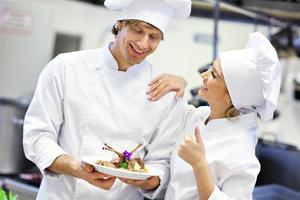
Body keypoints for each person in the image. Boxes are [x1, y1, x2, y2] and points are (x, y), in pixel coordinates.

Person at [22, 0, 191, 199]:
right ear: (120, 24)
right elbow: (38, 136)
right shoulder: (66, 67)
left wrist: (147, 179)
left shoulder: (166, 92)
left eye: (154, 37)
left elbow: (162, 162)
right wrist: (76, 168)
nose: (144, 43)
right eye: (138, 30)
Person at [147, 32, 281, 199]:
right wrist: (179, 82)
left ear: (230, 96)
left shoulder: (241, 150)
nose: (204, 75)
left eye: (214, 75)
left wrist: (199, 164)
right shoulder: (199, 117)